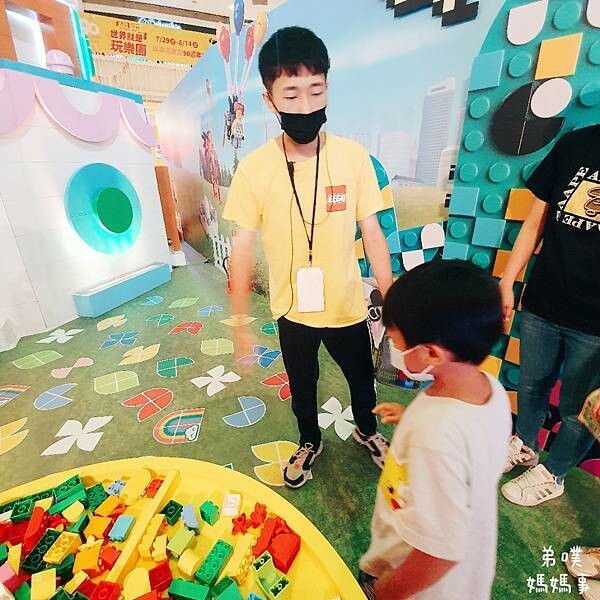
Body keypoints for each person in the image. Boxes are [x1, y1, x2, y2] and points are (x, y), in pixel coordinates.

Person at [223, 27, 393, 489]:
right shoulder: (254, 169)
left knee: (362, 379)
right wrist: (239, 325)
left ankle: (367, 430)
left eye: (315, 91)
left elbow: (372, 232)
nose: (304, 105)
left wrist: (393, 298)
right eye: (291, 94)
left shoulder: (354, 158)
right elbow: (241, 250)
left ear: (328, 88)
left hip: (346, 306)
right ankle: (308, 440)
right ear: (269, 100)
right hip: (291, 309)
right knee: (303, 385)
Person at [359, 259, 511, 600]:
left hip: (416, 584)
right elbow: (467, 445)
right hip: (467, 574)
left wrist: (386, 590)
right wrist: (411, 419)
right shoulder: (490, 390)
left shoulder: (436, 437)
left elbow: (439, 553)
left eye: (398, 344)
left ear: (431, 353)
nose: (396, 350)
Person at [499, 126, 600, 507]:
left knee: (578, 408)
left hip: (595, 323)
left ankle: (554, 473)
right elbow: (534, 222)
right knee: (531, 386)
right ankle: (525, 445)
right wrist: (508, 280)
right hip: (543, 301)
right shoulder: (576, 143)